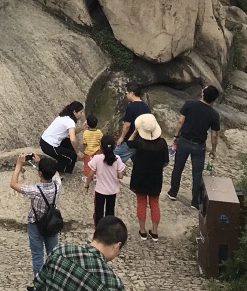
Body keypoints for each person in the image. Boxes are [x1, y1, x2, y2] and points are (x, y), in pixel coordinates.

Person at [32, 215, 128, 291]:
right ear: (117, 246)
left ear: (94, 234)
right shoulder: (113, 284)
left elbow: (38, 284)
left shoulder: (60, 251)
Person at [167, 85, 221, 209]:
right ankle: (194, 201)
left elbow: (180, 121)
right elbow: (214, 136)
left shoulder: (189, 104)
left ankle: (173, 192)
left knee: (178, 167)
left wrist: (176, 136)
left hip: (184, 140)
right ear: (213, 99)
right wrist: (213, 150)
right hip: (199, 145)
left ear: (203, 93)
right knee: (197, 173)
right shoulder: (214, 114)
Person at [11, 151, 62, 278]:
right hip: (52, 223)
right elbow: (55, 173)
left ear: (39, 173)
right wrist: (40, 163)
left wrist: (18, 165)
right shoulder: (57, 184)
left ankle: (39, 282)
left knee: (38, 255)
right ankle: (53, 280)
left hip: (36, 224)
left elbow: (13, 184)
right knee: (53, 254)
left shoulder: (35, 190)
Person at [128, 113, 169, 242]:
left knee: (141, 203)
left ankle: (143, 231)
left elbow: (129, 142)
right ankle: (155, 231)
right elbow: (166, 162)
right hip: (155, 177)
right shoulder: (162, 143)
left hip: (140, 176)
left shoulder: (139, 142)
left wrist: (135, 131)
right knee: (154, 203)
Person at [88, 134, 124, 228]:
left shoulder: (97, 158)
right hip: (112, 191)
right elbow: (120, 176)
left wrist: (87, 184)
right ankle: (109, 230)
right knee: (110, 211)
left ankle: (98, 231)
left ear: (101, 146)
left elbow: (91, 174)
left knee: (98, 212)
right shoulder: (118, 159)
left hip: (100, 190)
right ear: (114, 146)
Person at [40, 102, 84, 174]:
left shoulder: (64, 116)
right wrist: (77, 152)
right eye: (80, 112)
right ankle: (50, 171)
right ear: (74, 112)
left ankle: (65, 167)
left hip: (44, 141)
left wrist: (82, 128)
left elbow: (70, 134)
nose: (81, 115)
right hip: (49, 145)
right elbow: (73, 139)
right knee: (71, 157)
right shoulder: (70, 122)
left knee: (70, 146)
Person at [114, 85, 151, 164]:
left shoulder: (131, 106)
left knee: (113, 158)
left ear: (132, 93)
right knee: (139, 163)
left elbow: (127, 125)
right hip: (143, 140)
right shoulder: (146, 107)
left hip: (130, 140)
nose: (126, 95)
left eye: (127, 93)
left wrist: (121, 138)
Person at [80, 114, 103, 191]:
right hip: (97, 151)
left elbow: (84, 143)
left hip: (88, 151)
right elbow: (101, 141)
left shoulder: (85, 133)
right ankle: (96, 176)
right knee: (97, 165)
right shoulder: (99, 132)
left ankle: (87, 177)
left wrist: (84, 150)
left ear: (87, 124)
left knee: (87, 165)